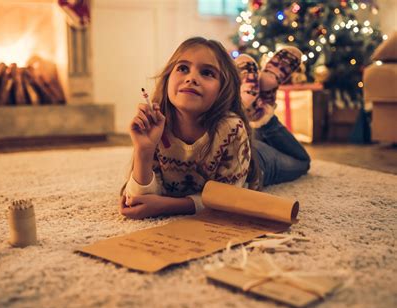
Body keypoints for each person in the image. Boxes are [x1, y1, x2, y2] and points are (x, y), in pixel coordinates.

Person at [120, 37, 310, 219]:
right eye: (183, 68)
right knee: (255, 135)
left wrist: (167, 206)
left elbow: (229, 197)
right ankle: (254, 104)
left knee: (302, 162)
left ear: (223, 90)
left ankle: (262, 114)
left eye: (207, 73)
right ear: (168, 78)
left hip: (255, 160)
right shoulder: (156, 125)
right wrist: (143, 150)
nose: (191, 78)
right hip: (240, 143)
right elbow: (139, 197)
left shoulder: (232, 128)